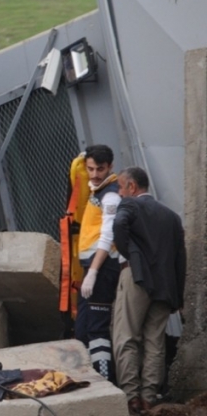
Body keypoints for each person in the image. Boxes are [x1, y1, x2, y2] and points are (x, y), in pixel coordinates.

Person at [112, 167, 186, 416]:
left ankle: (131, 398)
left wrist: (131, 254)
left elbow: (119, 225)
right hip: (166, 285)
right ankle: (149, 398)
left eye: (121, 187)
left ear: (132, 187)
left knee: (126, 336)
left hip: (137, 277)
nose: (119, 193)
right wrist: (178, 295)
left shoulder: (130, 206)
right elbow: (180, 256)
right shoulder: (172, 217)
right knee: (155, 341)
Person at [75, 144, 121, 383]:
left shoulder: (111, 195)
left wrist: (93, 272)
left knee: (97, 330)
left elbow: (108, 236)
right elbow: (75, 169)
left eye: (100, 169)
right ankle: (92, 380)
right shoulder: (97, 190)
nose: (94, 174)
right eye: (90, 168)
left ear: (110, 167)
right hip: (91, 268)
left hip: (101, 267)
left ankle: (104, 383)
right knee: (82, 330)